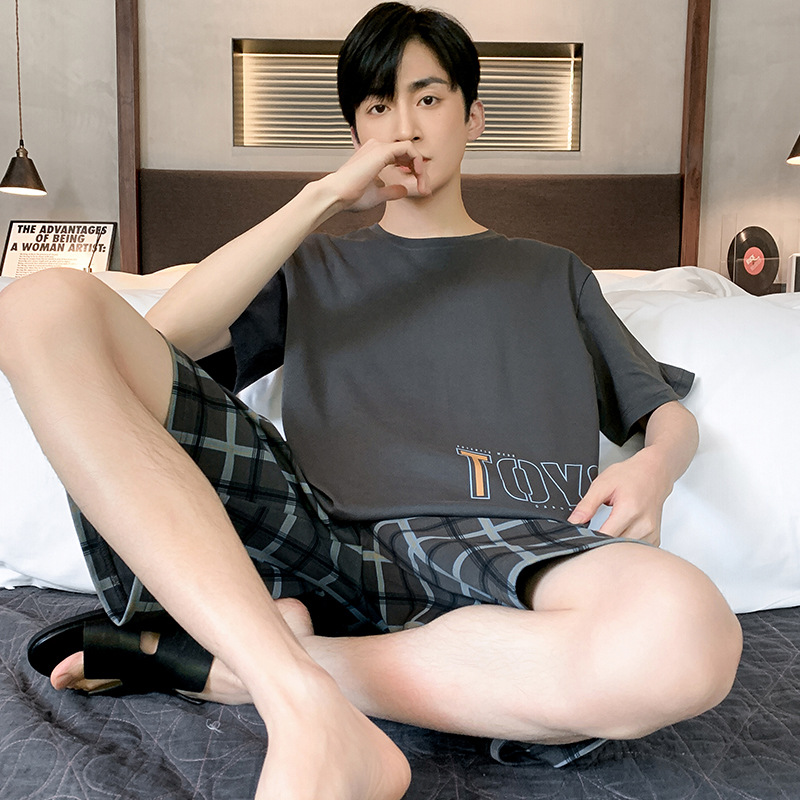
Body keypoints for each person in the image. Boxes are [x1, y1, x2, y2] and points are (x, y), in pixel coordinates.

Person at [0, 3, 742, 799]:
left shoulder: (552, 272)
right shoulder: (312, 264)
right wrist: (323, 199)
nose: (405, 128)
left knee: (688, 639)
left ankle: (249, 668)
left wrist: (656, 468)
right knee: (41, 306)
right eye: (379, 107)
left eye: (428, 98)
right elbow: (147, 342)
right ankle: (298, 690)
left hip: (515, 540)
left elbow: (662, 414)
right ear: (356, 131)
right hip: (322, 538)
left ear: (473, 116)